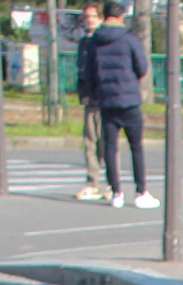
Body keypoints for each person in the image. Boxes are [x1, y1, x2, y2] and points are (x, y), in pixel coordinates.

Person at [85, 0, 157, 210]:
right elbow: (142, 67)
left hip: (107, 101)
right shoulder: (129, 38)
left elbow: (88, 73)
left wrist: (98, 91)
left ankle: (116, 192)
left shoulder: (94, 41)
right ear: (121, 16)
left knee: (110, 147)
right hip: (130, 100)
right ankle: (141, 191)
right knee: (136, 147)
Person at [73, 3, 107, 202]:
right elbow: (81, 70)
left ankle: (112, 184)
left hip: (104, 99)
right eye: (86, 17)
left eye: (93, 16)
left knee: (106, 143)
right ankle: (92, 182)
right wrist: (82, 92)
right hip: (90, 100)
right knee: (89, 143)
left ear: (101, 18)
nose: (89, 20)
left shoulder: (102, 40)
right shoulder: (84, 42)